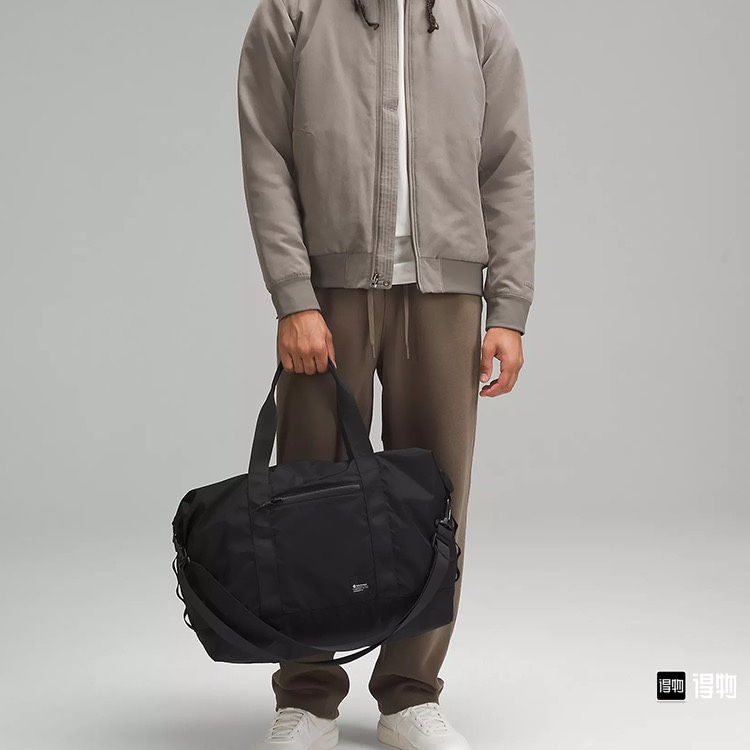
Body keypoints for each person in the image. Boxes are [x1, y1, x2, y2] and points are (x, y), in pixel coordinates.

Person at [237, 0, 535, 747]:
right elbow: (266, 156)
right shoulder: (292, 14)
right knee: (308, 492)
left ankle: (409, 693)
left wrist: (508, 308)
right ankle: (308, 696)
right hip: (327, 294)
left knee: (436, 501)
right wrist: (293, 296)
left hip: (448, 297)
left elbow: (507, 170)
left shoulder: (478, 22)